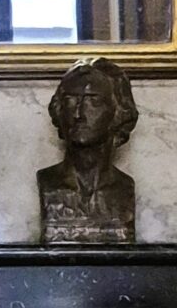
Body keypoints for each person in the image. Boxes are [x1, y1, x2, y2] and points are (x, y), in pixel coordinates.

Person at [37, 57, 139, 247]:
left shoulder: (123, 188)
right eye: (70, 101)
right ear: (59, 110)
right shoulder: (48, 183)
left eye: (93, 101)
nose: (79, 114)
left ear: (118, 112)